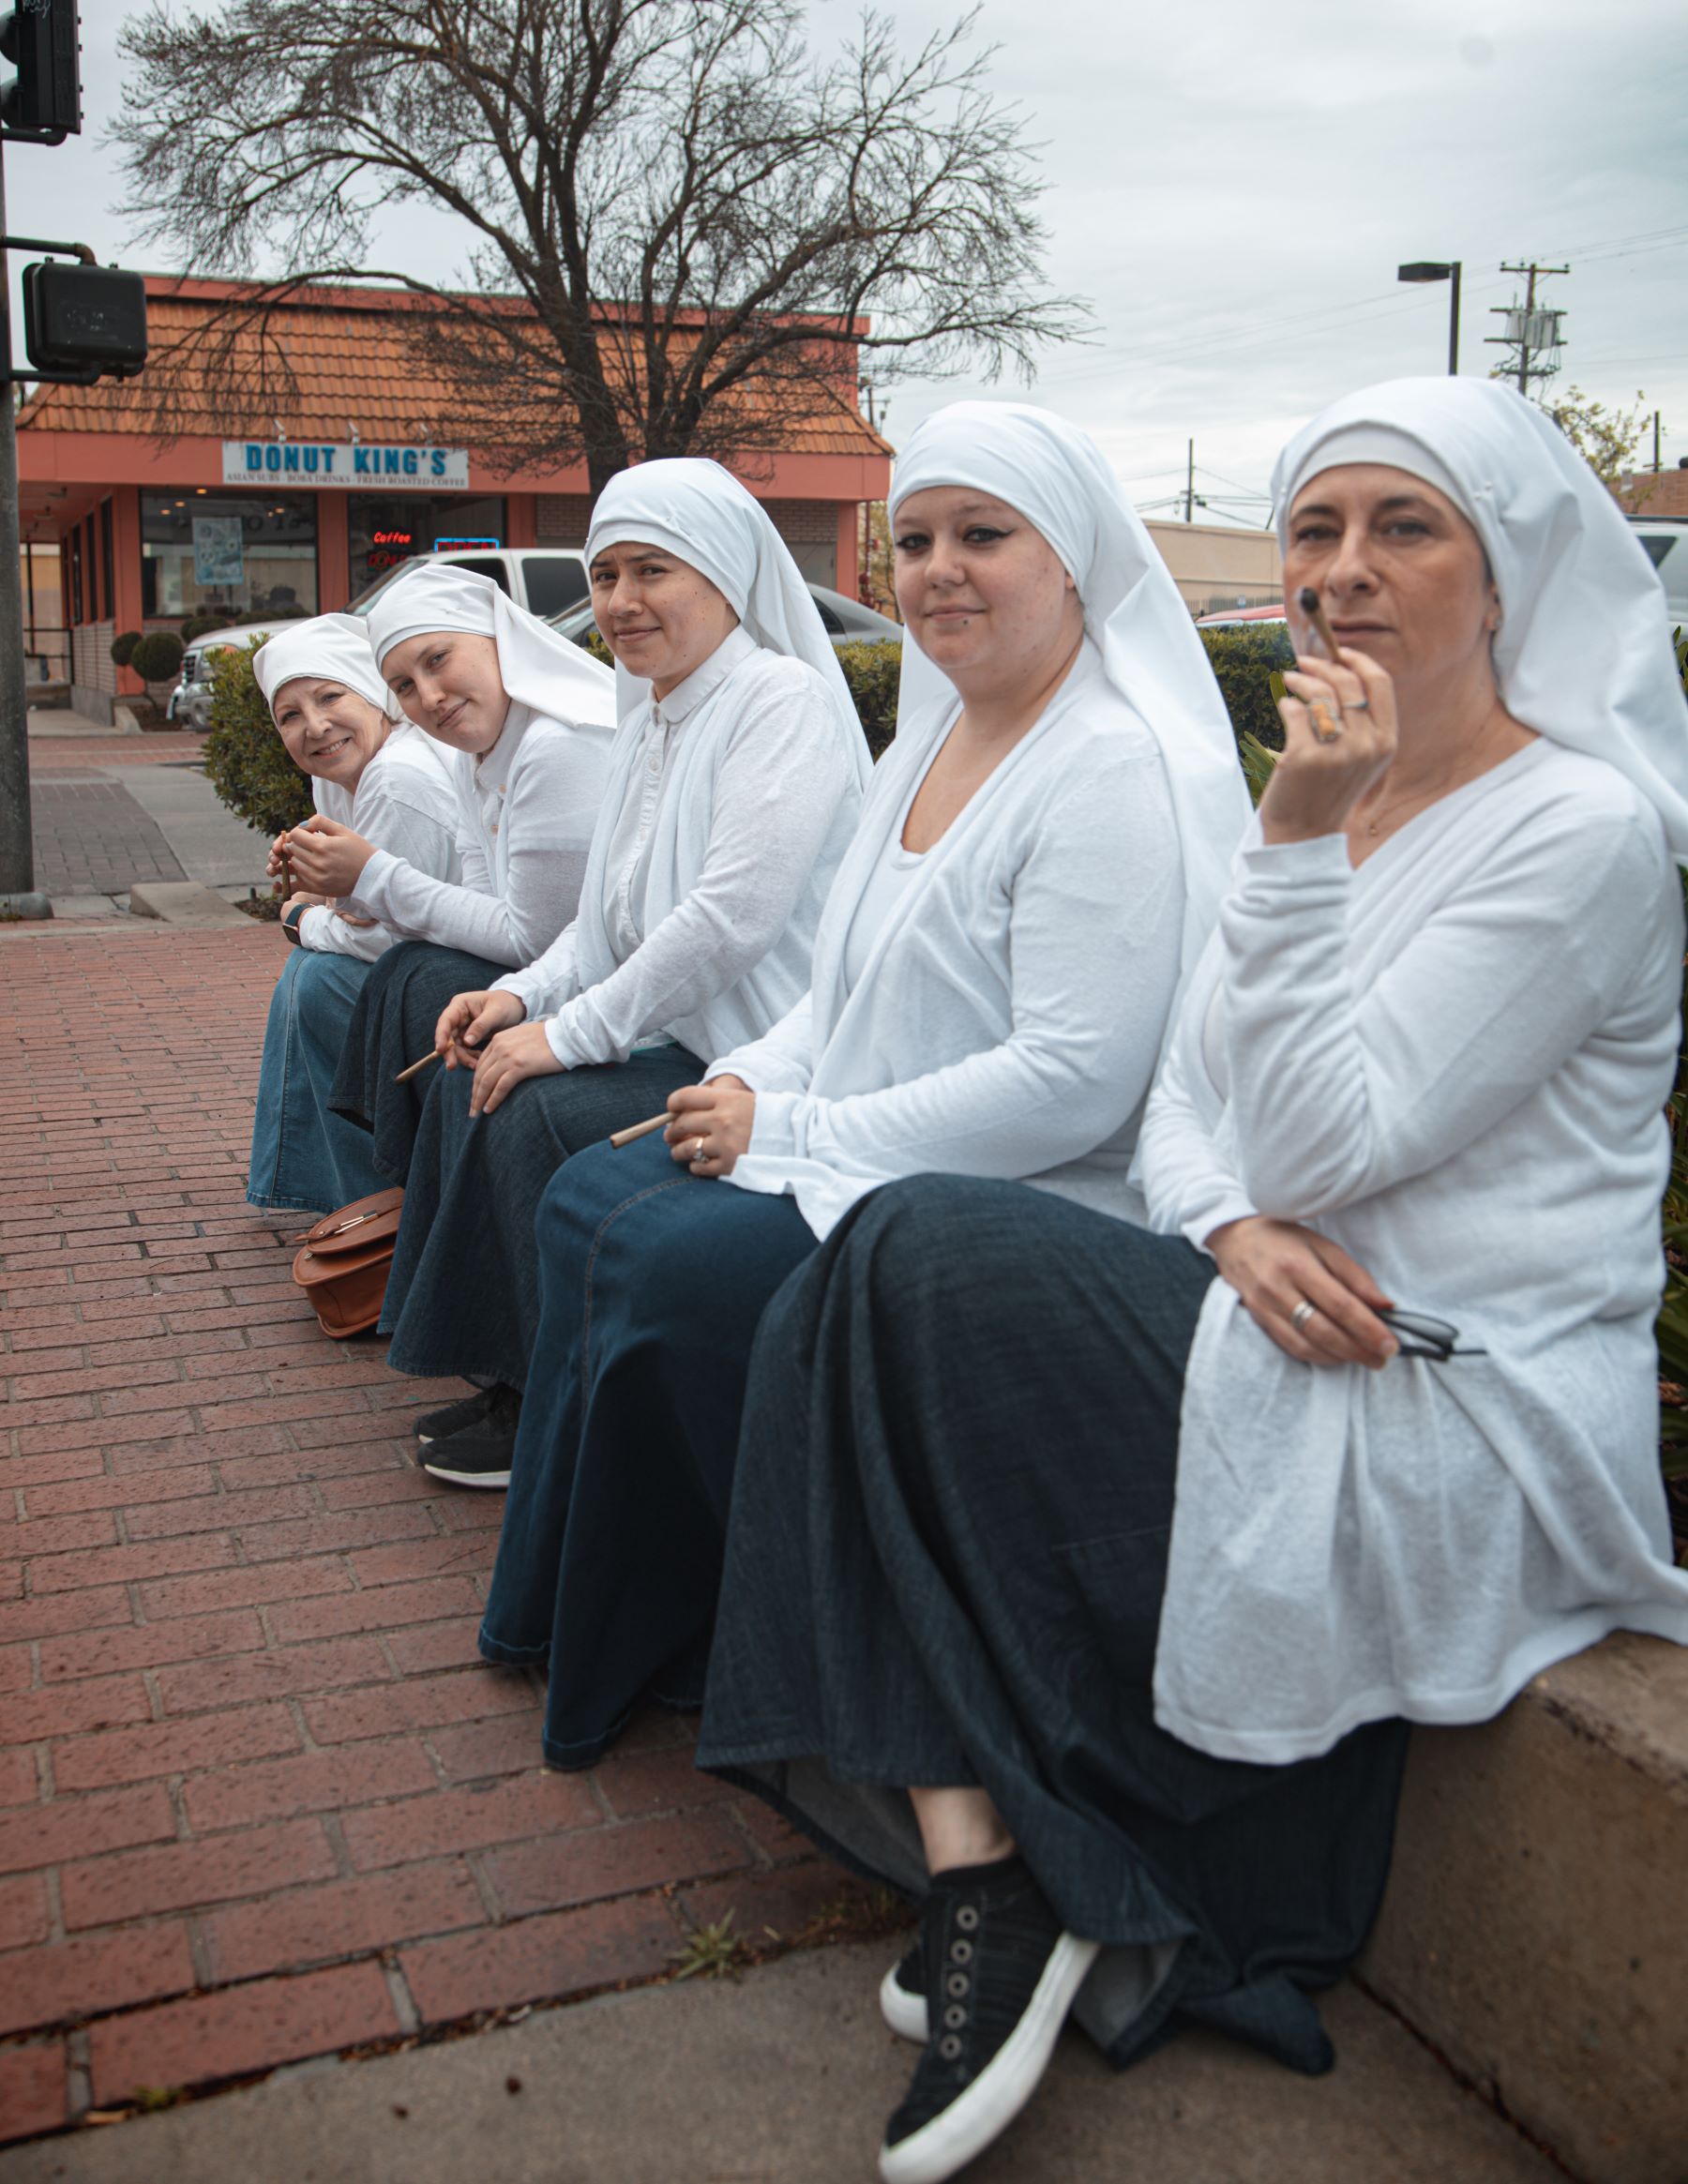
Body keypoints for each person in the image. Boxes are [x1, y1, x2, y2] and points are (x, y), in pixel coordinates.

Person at [691, 375, 1688, 2184]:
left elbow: (1309, 1134)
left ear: (1509, 569)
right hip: (1273, 1304)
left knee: (899, 1242)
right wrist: (1226, 1221)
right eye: (1316, 530)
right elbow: (1186, 1117)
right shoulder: (1339, 800)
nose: (1343, 572)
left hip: (1459, 1383)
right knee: (852, 1279)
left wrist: (1295, 836)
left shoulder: (1578, 836)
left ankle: (1018, 1866)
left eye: (1406, 528)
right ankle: (994, 1856)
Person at [475, 402, 1252, 1775]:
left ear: (1069, 557)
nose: (940, 567)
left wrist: (800, 1128)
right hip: (859, 1137)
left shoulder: (1109, 768)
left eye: (983, 535)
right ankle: (636, 1613)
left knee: (663, 1254)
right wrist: (743, 1076)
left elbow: (1074, 1081)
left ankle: (737, 1636)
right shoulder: (927, 743)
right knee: (594, 1189)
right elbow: (838, 992)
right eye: (916, 540)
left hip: (1005, 1193)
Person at [374, 459, 874, 1484]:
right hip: (690, 1031)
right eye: (605, 575)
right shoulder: (651, 707)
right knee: (489, 1066)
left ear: (727, 575)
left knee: (528, 1106)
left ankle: (544, 1403)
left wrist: (570, 1033)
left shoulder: (777, 702)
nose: (620, 602)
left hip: (771, 1056)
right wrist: (521, 996)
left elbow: (727, 918)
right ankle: (520, 1377)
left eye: (654, 569)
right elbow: (608, 922)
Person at [289, 564, 617, 1187]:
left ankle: (396, 1191)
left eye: (439, 659)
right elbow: (480, 901)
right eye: (405, 686)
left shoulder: (554, 746)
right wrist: (356, 890)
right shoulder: (478, 755)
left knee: (397, 975)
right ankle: (398, 1190)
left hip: (600, 995)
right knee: (408, 970)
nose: (429, 696)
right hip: (558, 975)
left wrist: (371, 877)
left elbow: (532, 940)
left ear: (498, 642)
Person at [246, 614, 461, 1214]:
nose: (315, 726)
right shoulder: (340, 780)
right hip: (433, 962)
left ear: (370, 691)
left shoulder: (395, 778)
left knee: (317, 979)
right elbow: (363, 907)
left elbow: (392, 936)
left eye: (330, 695)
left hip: (477, 975)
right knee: (309, 975)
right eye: (289, 715)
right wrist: (317, 892)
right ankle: (331, 1192)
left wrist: (301, 919)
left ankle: (375, 1206)